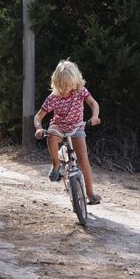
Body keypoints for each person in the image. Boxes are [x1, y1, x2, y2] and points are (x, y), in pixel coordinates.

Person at [34, 59, 101, 205]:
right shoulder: (53, 97)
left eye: (68, 85)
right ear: (56, 82)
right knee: (51, 135)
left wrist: (94, 116)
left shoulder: (80, 92)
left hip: (77, 127)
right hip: (59, 126)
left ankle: (90, 194)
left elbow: (93, 103)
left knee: (84, 160)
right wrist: (39, 127)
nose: (64, 88)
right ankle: (56, 163)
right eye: (61, 85)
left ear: (75, 82)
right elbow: (38, 116)